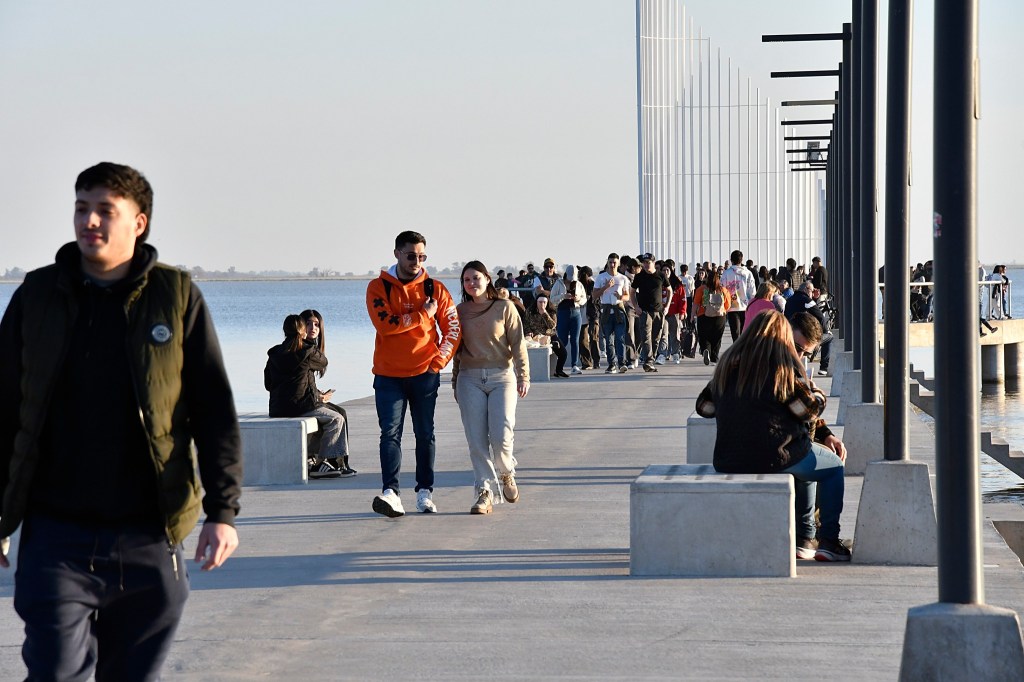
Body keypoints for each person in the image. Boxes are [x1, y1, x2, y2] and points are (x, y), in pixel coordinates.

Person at [0, 162, 242, 680]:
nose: (90, 221)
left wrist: (222, 511)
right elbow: (4, 408)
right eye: (81, 208)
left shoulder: (176, 297)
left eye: (105, 210)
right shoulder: (37, 296)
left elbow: (213, 410)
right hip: (55, 535)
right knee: (54, 672)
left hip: (149, 534)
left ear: (139, 222)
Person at [695, 310, 851, 562]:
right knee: (832, 467)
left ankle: (805, 539)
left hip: (728, 458)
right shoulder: (782, 367)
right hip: (773, 456)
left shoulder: (728, 362)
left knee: (807, 455)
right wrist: (815, 391)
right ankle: (828, 541)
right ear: (784, 336)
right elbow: (808, 410)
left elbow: (704, 408)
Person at [366, 230, 461, 517]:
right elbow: (385, 325)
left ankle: (424, 492)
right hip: (388, 376)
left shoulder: (436, 289)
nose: (416, 261)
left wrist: (439, 362)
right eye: (411, 256)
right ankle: (391, 493)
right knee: (389, 434)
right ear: (397, 253)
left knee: (425, 433)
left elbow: (453, 329)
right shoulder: (378, 287)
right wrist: (422, 315)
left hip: (424, 373)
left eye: (422, 256)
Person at [452, 261, 529, 515]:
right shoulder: (460, 311)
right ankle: (484, 491)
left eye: (476, 278)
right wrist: (455, 381)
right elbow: (456, 349)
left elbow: (518, 344)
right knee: (476, 441)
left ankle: (506, 473)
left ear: (487, 279)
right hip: (469, 378)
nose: (471, 283)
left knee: (501, 436)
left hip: (501, 377)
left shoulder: (504, 307)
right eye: (466, 280)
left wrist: (523, 376)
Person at [264, 313, 354, 480]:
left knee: (327, 415)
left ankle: (315, 459)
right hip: (301, 407)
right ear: (303, 331)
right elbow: (323, 362)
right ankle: (322, 463)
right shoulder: (307, 351)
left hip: (277, 408)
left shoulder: (274, 353)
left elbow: (268, 384)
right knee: (336, 419)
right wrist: (309, 343)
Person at [300, 308, 356, 474]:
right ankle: (330, 462)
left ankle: (340, 462)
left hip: (306, 399)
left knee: (340, 411)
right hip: (301, 403)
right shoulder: (304, 349)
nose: (313, 328)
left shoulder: (307, 347)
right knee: (336, 417)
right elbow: (298, 384)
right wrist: (318, 397)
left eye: (316, 325)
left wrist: (318, 394)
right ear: (300, 326)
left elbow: (304, 381)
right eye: (308, 324)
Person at [784, 280, 833, 376]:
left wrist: (814, 298)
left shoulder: (790, 300)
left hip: (789, 333)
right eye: (812, 290)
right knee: (829, 338)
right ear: (806, 289)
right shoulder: (806, 300)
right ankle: (823, 367)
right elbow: (820, 316)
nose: (813, 293)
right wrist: (826, 331)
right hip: (803, 336)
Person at [631, 253, 670, 372]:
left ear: (653, 263)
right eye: (644, 263)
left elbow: (670, 290)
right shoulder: (639, 276)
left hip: (659, 311)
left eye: (648, 262)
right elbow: (632, 292)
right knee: (646, 337)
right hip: (644, 312)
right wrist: (636, 306)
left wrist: (667, 306)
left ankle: (651, 360)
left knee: (656, 337)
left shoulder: (661, 275)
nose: (646, 265)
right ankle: (648, 361)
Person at [593, 253, 631, 373]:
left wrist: (621, 297)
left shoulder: (623, 278)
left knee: (620, 338)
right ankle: (611, 364)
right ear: (607, 262)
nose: (612, 265)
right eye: (610, 262)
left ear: (618, 263)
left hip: (619, 310)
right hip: (606, 311)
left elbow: (627, 296)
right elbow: (594, 295)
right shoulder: (601, 277)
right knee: (608, 340)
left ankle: (622, 362)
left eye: (614, 262)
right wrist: (605, 287)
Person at [552, 264, 587, 374]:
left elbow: (584, 299)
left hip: (576, 312)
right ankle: (558, 365)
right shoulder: (558, 283)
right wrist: (563, 296)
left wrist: (577, 299)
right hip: (563, 312)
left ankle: (574, 365)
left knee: (575, 340)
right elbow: (552, 299)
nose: (571, 280)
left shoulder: (579, 284)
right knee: (562, 340)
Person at [692, 268, 731, 365]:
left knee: (704, 336)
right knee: (717, 337)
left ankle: (706, 350)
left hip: (703, 315)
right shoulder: (723, 290)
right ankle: (714, 358)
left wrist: (692, 315)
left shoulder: (701, 289)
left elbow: (696, 303)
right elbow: (728, 305)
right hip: (719, 316)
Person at [525, 295, 568, 377]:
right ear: (536, 302)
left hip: (549, 335)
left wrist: (544, 313)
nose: (542, 304)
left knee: (563, 353)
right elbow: (525, 324)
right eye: (540, 302)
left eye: (544, 302)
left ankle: (559, 370)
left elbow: (552, 326)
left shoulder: (551, 312)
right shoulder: (530, 311)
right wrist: (528, 332)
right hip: (534, 335)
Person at [720, 249, 757, 342]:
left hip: (732, 307)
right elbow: (752, 292)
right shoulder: (748, 273)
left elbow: (722, 290)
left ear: (731, 260)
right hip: (746, 306)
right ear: (742, 259)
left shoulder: (726, 273)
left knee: (735, 333)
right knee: (745, 333)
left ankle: (736, 349)